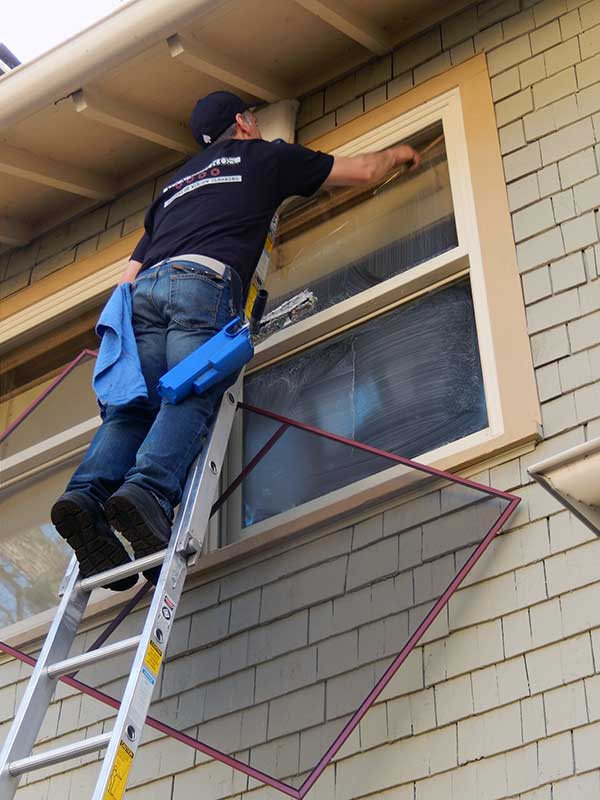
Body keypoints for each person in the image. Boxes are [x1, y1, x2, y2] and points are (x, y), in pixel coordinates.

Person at [51, 90, 421, 590]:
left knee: (133, 409)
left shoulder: (175, 184)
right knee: (191, 390)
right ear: (245, 123)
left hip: (143, 294)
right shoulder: (266, 156)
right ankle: (148, 492)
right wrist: (401, 153)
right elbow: (363, 172)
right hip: (202, 285)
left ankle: (86, 496)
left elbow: (130, 269)